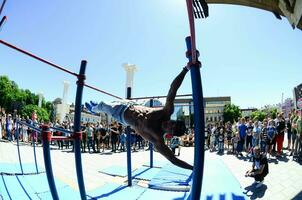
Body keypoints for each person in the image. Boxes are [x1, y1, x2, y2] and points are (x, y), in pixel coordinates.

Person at [86, 67, 193, 170]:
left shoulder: (157, 139)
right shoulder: (166, 112)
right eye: (172, 122)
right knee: (107, 103)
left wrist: (193, 168)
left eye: (171, 128)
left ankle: (94, 109)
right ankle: (97, 107)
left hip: (121, 114)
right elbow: (173, 89)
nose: (169, 124)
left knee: (103, 105)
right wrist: (185, 70)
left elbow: (173, 159)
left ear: (171, 133)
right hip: (130, 104)